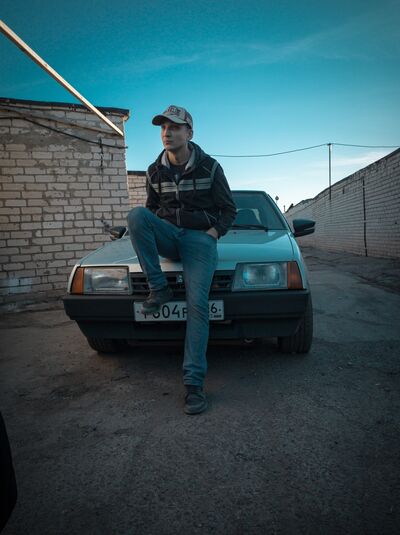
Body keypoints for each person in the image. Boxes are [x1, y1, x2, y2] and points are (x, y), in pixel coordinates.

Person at [127, 105, 237, 415]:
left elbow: (228, 209)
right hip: (169, 236)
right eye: (163, 128)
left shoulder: (210, 167)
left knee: (197, 305)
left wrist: (213, 234)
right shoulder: (154, 170)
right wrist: (154, 229)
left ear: (189, 133)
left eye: (175, 127)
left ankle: (193, 384)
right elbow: (150, 210)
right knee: (136, 215)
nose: (167, 133)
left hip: (200, 240)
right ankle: (158, 288)